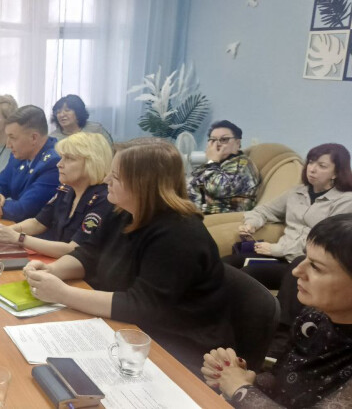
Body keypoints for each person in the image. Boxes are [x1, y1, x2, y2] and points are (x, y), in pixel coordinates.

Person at [23, 138, 232, 370]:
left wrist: (63, 293)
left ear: (142, 184)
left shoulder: (180, 233)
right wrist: (52, 270)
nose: (106, 180)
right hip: (126, 327)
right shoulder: (123, 211)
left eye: (115, 176)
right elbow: (89, 253)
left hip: (173, 346)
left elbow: (141, 306)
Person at [202, 214, 352, 408]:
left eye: (316, 267)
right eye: (305, 257)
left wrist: (240, 389)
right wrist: (240, 376)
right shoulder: (313, 318)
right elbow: (284, 380)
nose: (297, 271)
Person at [224, 143, 352, 289]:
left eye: (322, 166)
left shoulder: (346, 201)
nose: (312, 169)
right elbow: (264, 210)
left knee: (246, 275)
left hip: (306, 264)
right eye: (311, 162)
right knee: (225, 264)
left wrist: (277, 249)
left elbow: (324, 242)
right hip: (280, 256)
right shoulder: (296, 192)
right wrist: (252, 224)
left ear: (336, 173)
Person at [0, 132, 113, 258]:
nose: (59, 164)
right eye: (62, 157)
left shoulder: (103, 199)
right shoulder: (67, 190)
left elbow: (74, 250)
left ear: (92, 163)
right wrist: (4, 231)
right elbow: (38, 223)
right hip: (53, 262)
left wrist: (18, 238)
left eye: (69, 159)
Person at [187, 120, 260, 214]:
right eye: (213, 140)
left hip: (221, 217)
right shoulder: (219, 164)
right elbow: (194, 181)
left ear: (237, 143)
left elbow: (217, 189)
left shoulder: (243, 164)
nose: (217, 144)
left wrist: (212, 161)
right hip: (193, 212)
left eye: (224, 139)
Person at [48, 94, 113, 144]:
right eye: (58, 112)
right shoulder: (53, 138)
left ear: (78, 112)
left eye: (67, 110)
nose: (62, 115)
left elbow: (109, 151)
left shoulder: (95, 130)